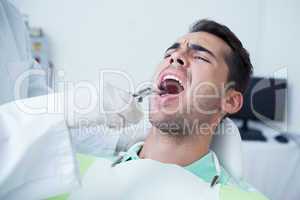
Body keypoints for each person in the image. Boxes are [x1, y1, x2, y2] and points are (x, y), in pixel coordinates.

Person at [0, 19, 268, 199]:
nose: (175, 57)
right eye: (169, 53)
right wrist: (60, 111)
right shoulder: (60, 171)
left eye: (199, 56)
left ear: (230, 101)